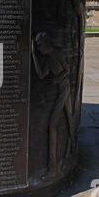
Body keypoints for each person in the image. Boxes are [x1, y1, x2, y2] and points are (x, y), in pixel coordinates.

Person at [32, 32, 74, 176]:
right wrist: (33, 55)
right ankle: (69, 153)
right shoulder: (48, 58)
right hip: (61, 89)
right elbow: (41, 75)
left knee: (53, 125)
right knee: (69, 119)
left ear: (46, 42)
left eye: (38, 45)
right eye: (36, 46)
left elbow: (68, 71)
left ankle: (53, 167)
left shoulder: (57, 53)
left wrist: (58, 80)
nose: (38, 48)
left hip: (64, 89)